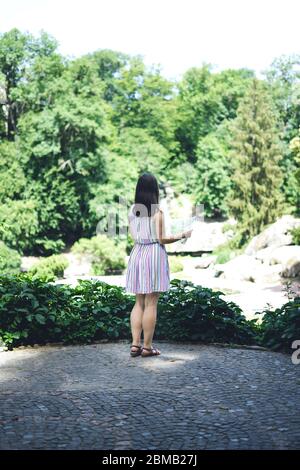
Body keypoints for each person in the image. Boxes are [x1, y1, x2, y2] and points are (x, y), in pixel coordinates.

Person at [125, 172, 192, 358]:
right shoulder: (157, 213)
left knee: (138, 302)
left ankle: (134, 344)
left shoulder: (132, 211)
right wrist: (182, 235)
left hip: (137, 252)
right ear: (155, 191)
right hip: (153, 254)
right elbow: (161, 239)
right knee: (151, 303)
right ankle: (147, 347)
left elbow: (134, 235)